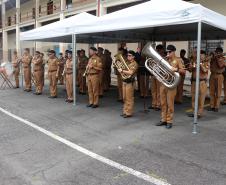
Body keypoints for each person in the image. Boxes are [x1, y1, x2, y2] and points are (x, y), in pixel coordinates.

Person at [156, 45, 185, 129]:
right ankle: (163, 119)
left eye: (169, 52)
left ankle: (169, 121)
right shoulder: (165, 60)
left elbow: (183, 71)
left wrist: (176, 69)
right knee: (163, 103)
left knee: (170, 104)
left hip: (171, 85)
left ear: (174, 51)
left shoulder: (178, 60)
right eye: (167, 52)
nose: (168, 53)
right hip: (163, 84)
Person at [188, 50, 209, 118]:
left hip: (202, 82)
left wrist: (200, 64)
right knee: (193, 98)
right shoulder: (194, 61)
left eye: (201, 55)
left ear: (204, 55)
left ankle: (199, 113)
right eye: (198, 55)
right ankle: (194, 113)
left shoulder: (206, 62)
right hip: (194, 82)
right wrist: (192, 65)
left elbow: (205, 70)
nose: (199, 56)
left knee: (201, 98)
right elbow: (190, 70)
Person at [118, 50, 138, 118]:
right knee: (124, 98)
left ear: (133, 57)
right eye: (127, 55)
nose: (128, 57)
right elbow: (123, 70)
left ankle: (129, 113)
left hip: (130, 82)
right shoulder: (127, 62)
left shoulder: (134, 63)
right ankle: (125, 111)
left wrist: (122, 70)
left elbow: (131, 72)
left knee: (129, 98)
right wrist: (120, 69)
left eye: (130, 56)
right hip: (124, 81)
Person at [208, 47, 225, 112]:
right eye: (216, 52)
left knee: (218, 92)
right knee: (211, 91)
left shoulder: (223, 58)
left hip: (219, 76)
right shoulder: (213, 58)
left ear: (220, 52)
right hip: (212, 75)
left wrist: (217, 58)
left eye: (218, 52)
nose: (216, 53)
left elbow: (220, 66)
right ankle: (212, 106)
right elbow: (209, 62)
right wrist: (212, 56)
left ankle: (216, 106)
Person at [149, 44, 164, 111]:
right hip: (153, 75)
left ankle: (158, 104)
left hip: (159, 75)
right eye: (157, 50)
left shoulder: (163, 57)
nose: (158, 51)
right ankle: (154, 104)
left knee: (159, 91)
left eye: (159, 50)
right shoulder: (154, 57)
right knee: (153, 90)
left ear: (162, 50)